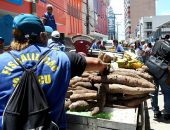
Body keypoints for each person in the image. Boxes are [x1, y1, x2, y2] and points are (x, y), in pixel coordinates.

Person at [0, 14, 108, 130]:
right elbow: (97, 63)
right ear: (42, 36)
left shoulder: (1, 61)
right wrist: (103, 70)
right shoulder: (61, 59)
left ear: (15, 36)